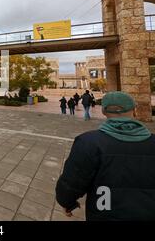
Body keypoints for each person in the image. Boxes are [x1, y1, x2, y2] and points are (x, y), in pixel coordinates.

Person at [56, 92, 155, 221]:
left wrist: (67, 203)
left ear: (103, 111)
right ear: (134, 110)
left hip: (104, 212)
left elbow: (72, 182)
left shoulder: (88, 142)